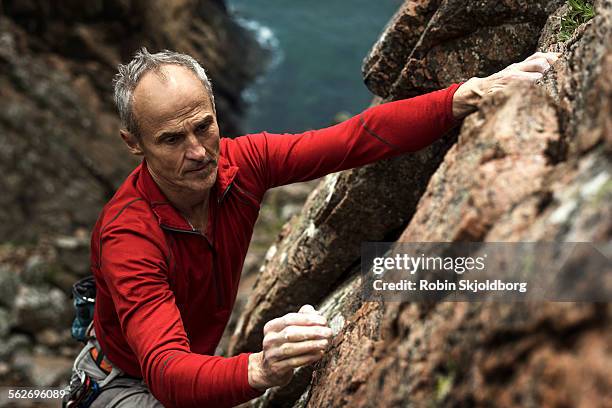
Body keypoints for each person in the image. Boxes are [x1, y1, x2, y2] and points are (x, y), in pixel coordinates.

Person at [64, 48, 560, 407]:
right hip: (123, 383)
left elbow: (352, 139)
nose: (197, 152)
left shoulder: (243, 164)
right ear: (134, 143)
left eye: (205, 126)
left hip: (187, 360)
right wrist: (261, 367)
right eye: (172, 139)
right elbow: (168, 373)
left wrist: (465, 96)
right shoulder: (128, 238)